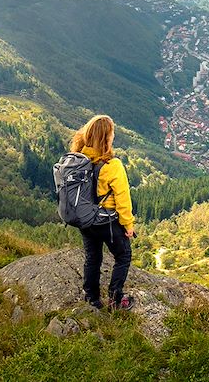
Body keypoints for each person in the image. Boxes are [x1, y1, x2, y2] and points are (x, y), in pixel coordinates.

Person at [69, 115, 135, 311]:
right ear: (106, 137)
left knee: (93, 257)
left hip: (85, 219)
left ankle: (92, 298)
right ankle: (116, 298)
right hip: (107, 222)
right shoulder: (112, 165)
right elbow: (123, 199)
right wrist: (128, 225)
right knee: (123, 255)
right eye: (112, 133)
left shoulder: (78, 159)